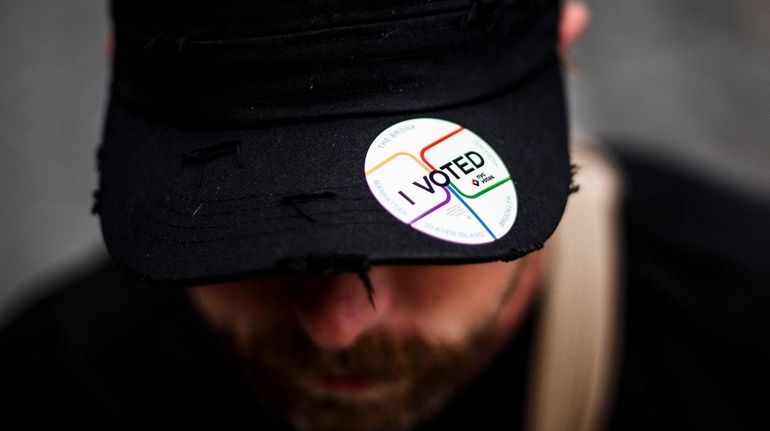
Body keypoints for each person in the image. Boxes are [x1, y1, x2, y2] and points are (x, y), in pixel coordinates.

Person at [1, 1, 768, 430]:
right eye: (245, 228)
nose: (337, 326)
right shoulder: (57, 385)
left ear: (564, 30)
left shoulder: (740, 333)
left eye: (407, 226)